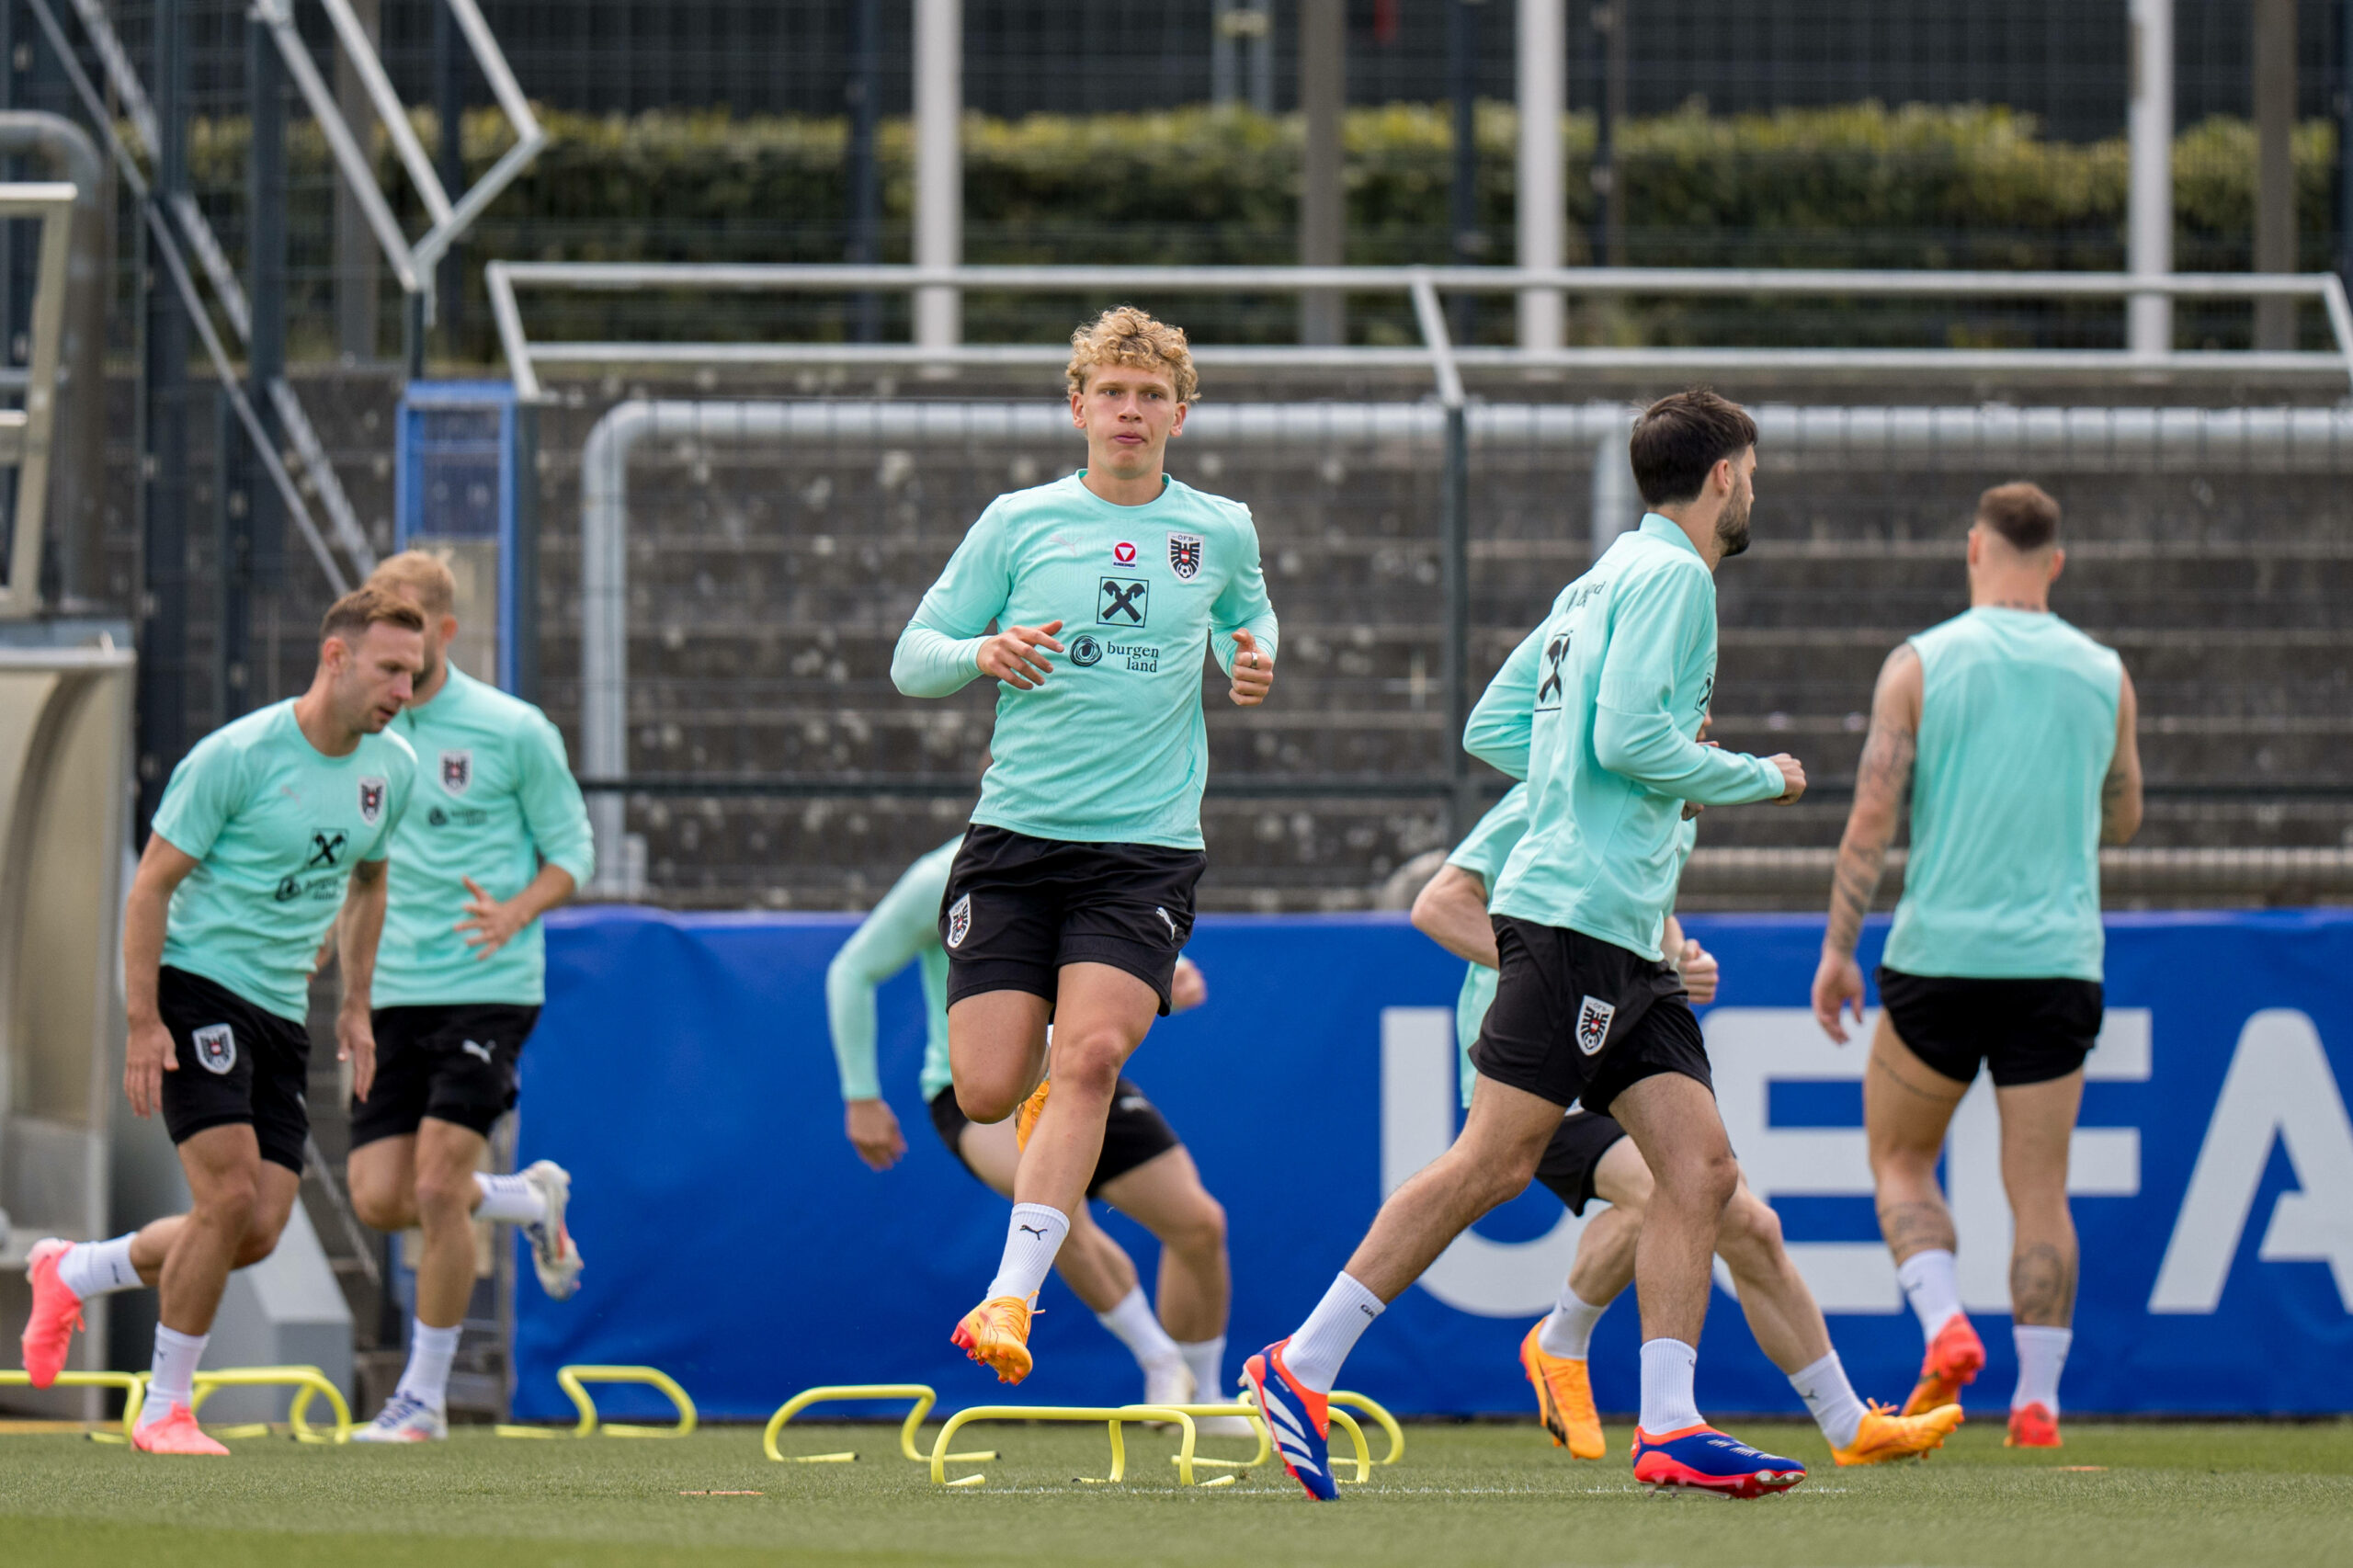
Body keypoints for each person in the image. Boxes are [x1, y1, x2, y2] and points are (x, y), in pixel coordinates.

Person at [1245, 389, 1809, 1503]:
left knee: (1700, 1170)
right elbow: (1626, 736)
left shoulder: (1598, 577)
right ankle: (1299, 1363)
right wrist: (1756, 775)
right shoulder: (1678, 579)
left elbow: (1496, 728)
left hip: (1616, 925)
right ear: (1724, 477)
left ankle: (1671, 1421)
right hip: (1578, 914)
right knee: (1493, 1161)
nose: (1752, 488)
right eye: (1750, 471)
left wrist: (1576, 788)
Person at [891, 306, 1276, 1386]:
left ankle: (1011, 1296)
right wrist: (982, 650)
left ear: (1181, 415)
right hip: (1015, 840)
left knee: (1092, 1055)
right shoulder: (1019, 522)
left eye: (1152, 395)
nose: (1131, 410)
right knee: (982, 1088)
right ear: (1078, 407)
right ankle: (1033, 1175)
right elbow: (911, 658)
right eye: (1112, 392)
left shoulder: (1220, 528)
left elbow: (1254, 616)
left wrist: (1252, 658)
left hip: (1143, 849)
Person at [1412, 782, 1961, 1468]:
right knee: (1676, 1194)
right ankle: (1561, 1343)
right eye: (1680, 705)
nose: (1700, 726)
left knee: (1746, 1223)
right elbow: (1437, 906)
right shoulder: (1553, 793)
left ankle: (1851, 1427)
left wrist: (1674, 959)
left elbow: (1641, 922)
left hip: (1612, 1055)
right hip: (1538, 1072)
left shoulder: (1668, 807)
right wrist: (1553, 976)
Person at [19, 588, 424, 1455]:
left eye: (415, 674)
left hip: (283, 1008)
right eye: (391, 668)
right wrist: (141, 1020)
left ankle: (76, 1269)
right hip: (199, 987)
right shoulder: (236, 756)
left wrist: (356, 1004)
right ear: (336, 657)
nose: (404, 689)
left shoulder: (393, 769)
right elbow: (150, 886)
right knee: (227, 1194)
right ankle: (164, 1410)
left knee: (255, 1229)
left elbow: (368, 882)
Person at [1812, 481, 2141, 1450]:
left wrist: (1838, 949)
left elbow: (1871, 817)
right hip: (2057, 962)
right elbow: (2121, 815)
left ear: (1972, 549)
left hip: (1940, 956)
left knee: (1902, 1158)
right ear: (2056, 563)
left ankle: (1945, 1319)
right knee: (2040, 1190)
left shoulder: (1919, 663)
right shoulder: (2103, 672)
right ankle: (2037, 1400)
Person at [825, 836, 1246, 1429]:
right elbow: (852, 969)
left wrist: (1158, 975)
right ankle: (1159, 1362)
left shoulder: (1107, 849)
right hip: (974, 1090)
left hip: (1077, 1075)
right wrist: (861, 1094)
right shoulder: (944, 874)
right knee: (1057, 1211)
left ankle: (1202, 1397)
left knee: (1200, 1225)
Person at [341, 551, 597, 1442]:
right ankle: (529, 1201)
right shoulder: (360, 725)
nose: (397, 651)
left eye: (411, 626)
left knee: (440, 1183)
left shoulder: (511, 729)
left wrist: (517, 909)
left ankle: (423, 1397)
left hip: (486, 985)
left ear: (445, 632)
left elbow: (574, 850)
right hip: (390, 993)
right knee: (379, 1194)